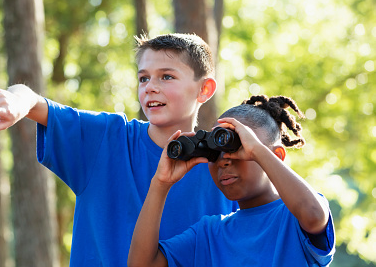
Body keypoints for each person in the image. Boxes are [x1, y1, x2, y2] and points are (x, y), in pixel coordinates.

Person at [0, 33, 237, 266]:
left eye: (166, 76)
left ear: (204, 89)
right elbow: (34, 101)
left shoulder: (225, 162)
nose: (150, 87)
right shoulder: (106, 138)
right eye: (143, 78)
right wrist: (18, 101)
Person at [128, 95, 335, 267]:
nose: (223, 161)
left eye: (238, 149)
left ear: (276, 156)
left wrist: (256, 150)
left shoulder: (293, 218)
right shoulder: (209, 234)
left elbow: (314, 215)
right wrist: (160, 183)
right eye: (214, 153)